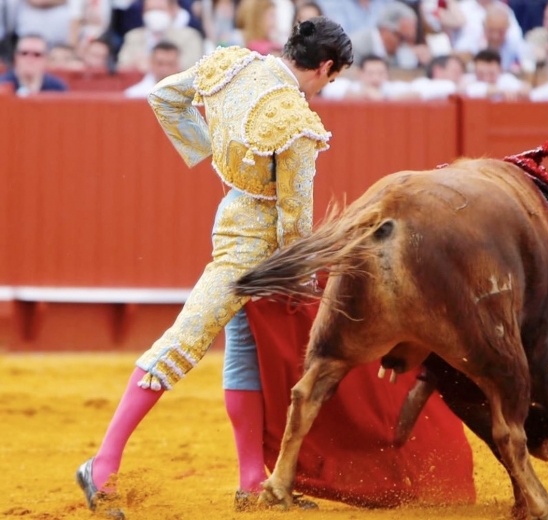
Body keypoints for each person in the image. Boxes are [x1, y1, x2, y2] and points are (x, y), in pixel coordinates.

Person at [75, 15, 353, 517]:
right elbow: (294, 222)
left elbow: (162, 96)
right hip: (253, 247)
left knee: (243, 350)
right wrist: (303, 280)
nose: (326, 90)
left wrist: (214, 155)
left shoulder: (230, 63)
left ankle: (251, 483)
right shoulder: (294, 120)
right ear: (326, 67)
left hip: (231, 212)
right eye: (331, 80)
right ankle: (101, 464)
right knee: (183, 342)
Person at [0, 33, 68, 94]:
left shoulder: (57, 89)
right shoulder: (2, 84)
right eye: (24, 53)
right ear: (15, 57)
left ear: (46, 59)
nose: (30, 59)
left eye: (37, 55)